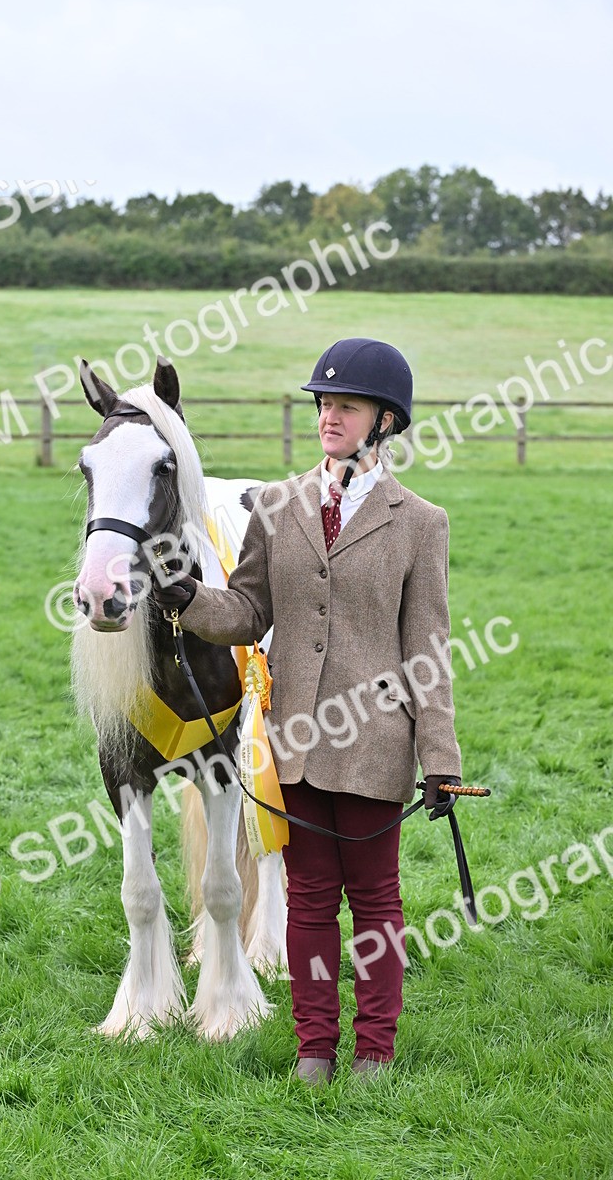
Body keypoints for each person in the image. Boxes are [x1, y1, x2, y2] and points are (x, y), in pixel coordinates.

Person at [154, 338, 462, 1085]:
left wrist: (441, 761)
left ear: (385, 420)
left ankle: (376, 1053)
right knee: (310, 905)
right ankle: (315, 1049)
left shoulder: (420, 521)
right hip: (292, 739)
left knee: (377, 905)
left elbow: (429, 649)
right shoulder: (280, 505)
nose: (329, 416)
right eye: (324, 404)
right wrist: (189, 601)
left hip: (374, 742)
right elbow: (248, 607)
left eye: (346, 406)